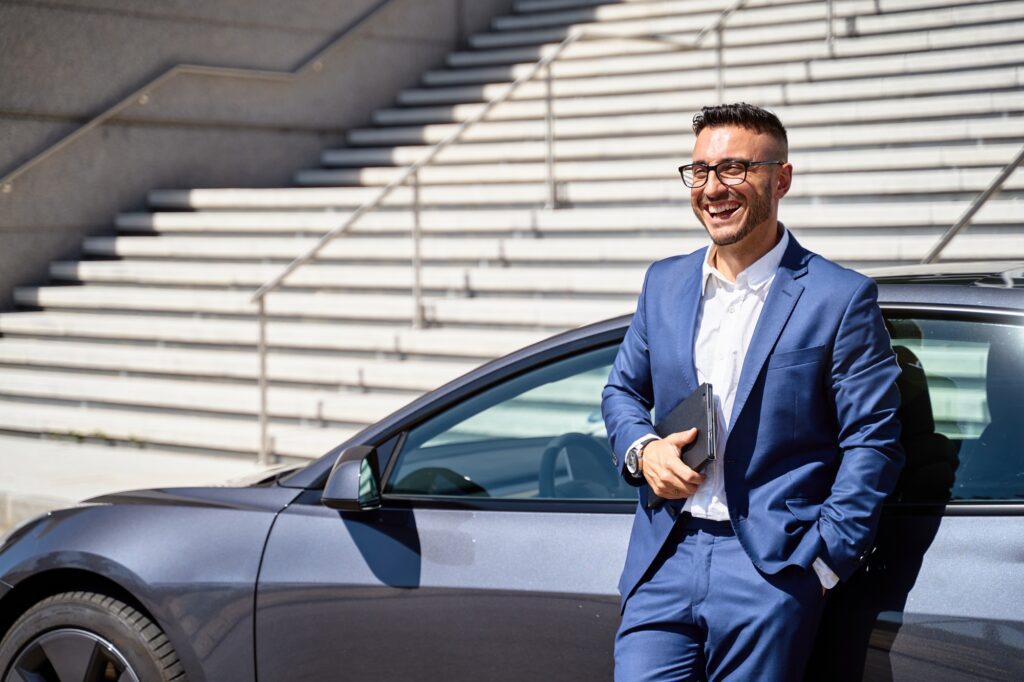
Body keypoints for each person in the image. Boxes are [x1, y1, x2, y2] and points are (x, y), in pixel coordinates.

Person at [601, 103, 904, 681]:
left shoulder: (839, 298)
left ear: (780, 178)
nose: (713, 188)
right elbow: (621, 391)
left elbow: (873, 441)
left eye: (734, 169)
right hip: (662, 556)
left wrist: (821, 565)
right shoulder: (663, 282)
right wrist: (644, 451)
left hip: (769, 569)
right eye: (700, 172)